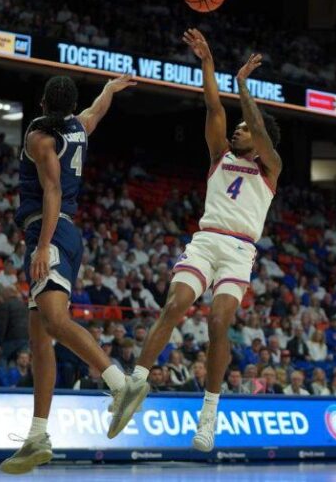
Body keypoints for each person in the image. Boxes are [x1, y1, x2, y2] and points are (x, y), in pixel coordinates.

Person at [112, 30, 282, 452]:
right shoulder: (218, 157)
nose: (238, 133)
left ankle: (209, 414)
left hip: (240, 251)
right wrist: (207, 63)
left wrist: (242, 85)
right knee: (174, 305)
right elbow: (211, 106)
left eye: (243, 130)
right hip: (206, 241)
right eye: (237, 129)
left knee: (218, 323)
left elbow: (258, 126)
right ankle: (134, 385)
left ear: (260, 143)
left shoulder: (270, 166)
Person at [1, 73, 142, 475]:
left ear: (42, 103)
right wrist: (110, 90)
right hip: (57, 231)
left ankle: (121, 383)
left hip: (52, 230)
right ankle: (37, 434)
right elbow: (96, 112)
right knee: (39, 337)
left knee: (57, 321)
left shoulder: (38, 138)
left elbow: (53, 191)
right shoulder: (78, 127)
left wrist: (44, 245)